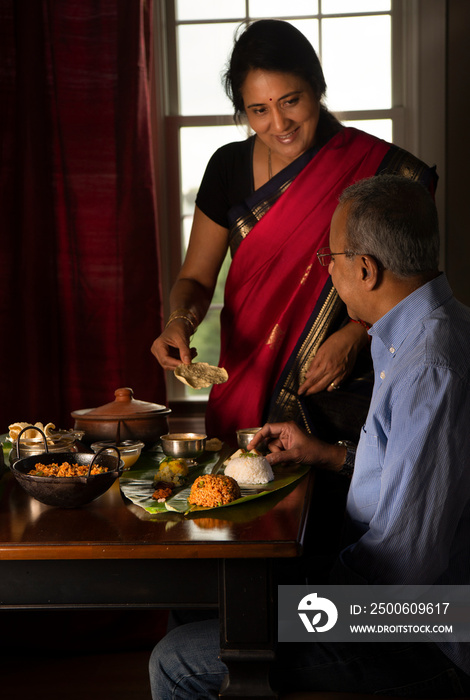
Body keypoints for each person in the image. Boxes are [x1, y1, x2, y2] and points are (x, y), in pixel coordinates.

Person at [149, 175, 470, 698]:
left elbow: (409, 559)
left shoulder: (430, 366)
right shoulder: (427, 330)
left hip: (423, 625)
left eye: (331, 259)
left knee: (177, 659)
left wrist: (308, 594)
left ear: (365, 269)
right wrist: (325, 453)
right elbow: (417, 477)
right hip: (395, 594)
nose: (329, 270)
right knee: (199, 598)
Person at [151, 19, 437, 447]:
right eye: (258, 110)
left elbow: (417, 289)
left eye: (291, 101)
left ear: (317, 88)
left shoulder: (377, 169)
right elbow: (194, 280)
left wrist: (356, 335)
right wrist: (179, 322)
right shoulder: (227, 168)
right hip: (245, 378)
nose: (278, 123)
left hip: (340, 393)